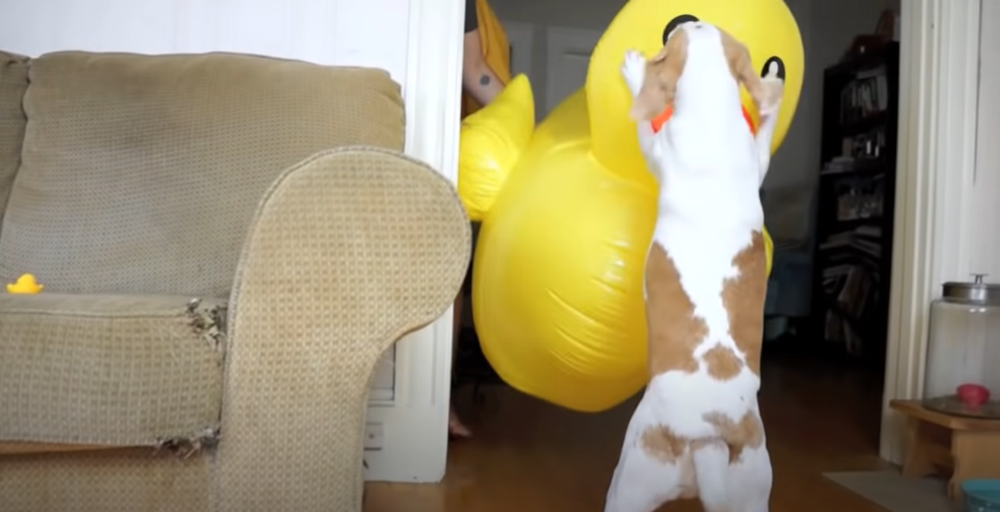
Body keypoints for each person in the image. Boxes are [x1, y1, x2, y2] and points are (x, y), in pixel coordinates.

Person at [449, 0, 507, 439]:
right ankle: (436, 409)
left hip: (461, 155)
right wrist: (530, 125)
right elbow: (476, 73)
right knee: (447, 281)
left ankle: (438, 405)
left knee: (452, 280)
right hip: (442, 149)